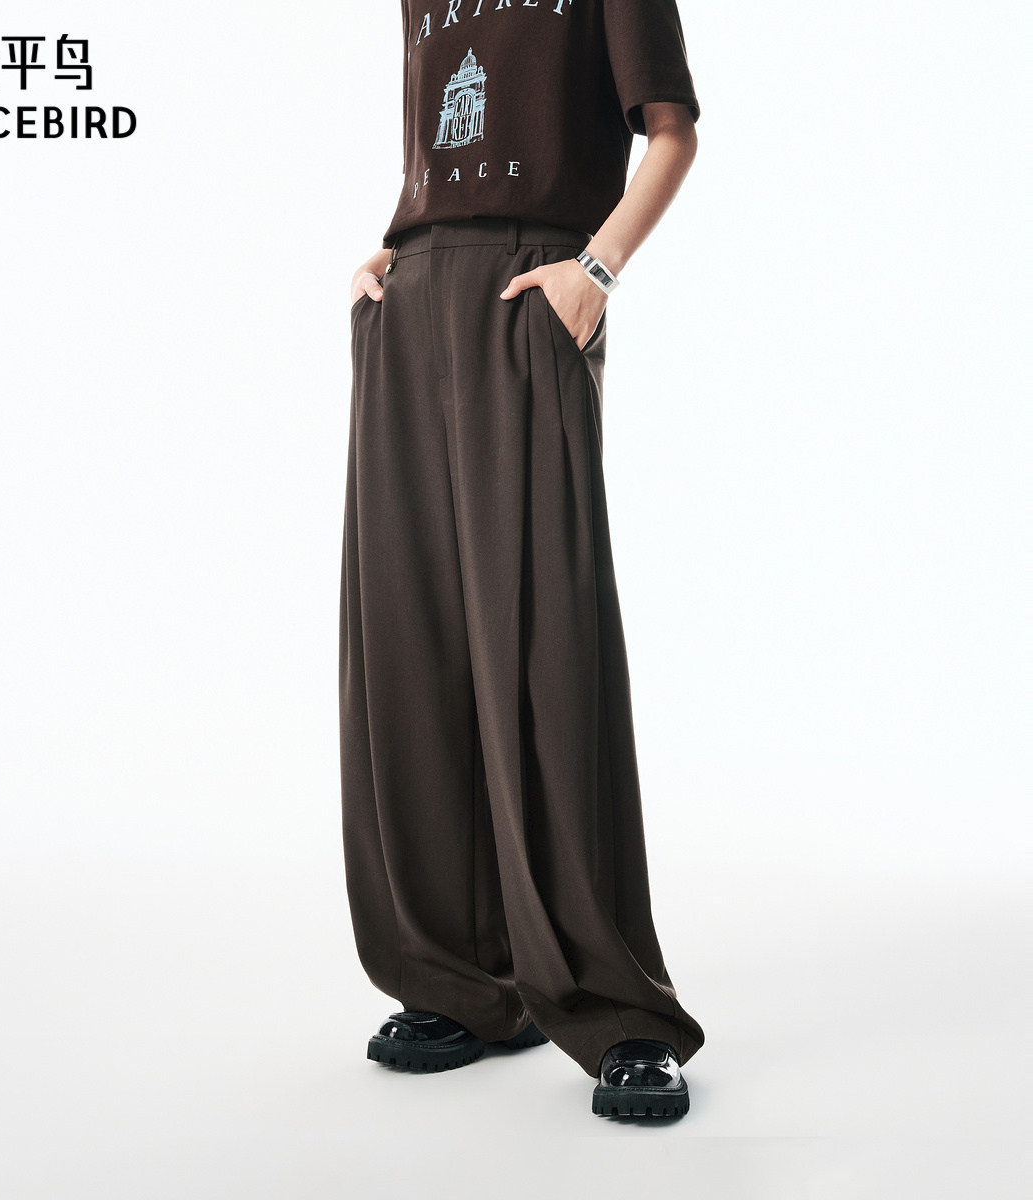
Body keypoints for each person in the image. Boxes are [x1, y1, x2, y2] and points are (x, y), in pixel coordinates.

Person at [339, 0, 704, 1119]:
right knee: (412, 638)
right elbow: (439, 159)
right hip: (410, 300)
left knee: (547, 645)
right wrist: (392, 254)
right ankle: (460, 981)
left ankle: (618, 1006)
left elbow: (672, 132)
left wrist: (597, 268)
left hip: (532, 290)